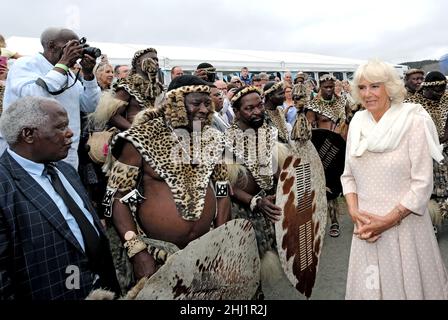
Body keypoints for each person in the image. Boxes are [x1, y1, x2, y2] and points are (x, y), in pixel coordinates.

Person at [102, 75, 231, 290]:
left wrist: (220, 239)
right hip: (157, 253)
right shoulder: (141, 138)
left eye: (207, 103)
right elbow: (115, 197)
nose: (204, 109)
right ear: (176, 103)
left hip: (204, 249)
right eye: (196, 103)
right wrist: (137, 251)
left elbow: (222, 189)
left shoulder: (213, 138)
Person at [341, 60, 448, 300]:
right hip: (367, 230)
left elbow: (422, 183)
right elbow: (348, 175)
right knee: (371, 290)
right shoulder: (357, 122)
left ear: (389, 87)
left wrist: (388, 220)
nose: (367, 94)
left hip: (405, 230)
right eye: (362, 87)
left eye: (375, 86)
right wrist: (355, 213)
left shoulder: (413, 121)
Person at [0, 96, 119, 300]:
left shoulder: (65, 170)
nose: (70, 133)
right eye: (60, 127)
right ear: (28, 134)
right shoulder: (4, 186)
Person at [2, 27, 100, 169]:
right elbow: (34, 97)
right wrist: (63, 63)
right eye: (69, 47)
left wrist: (89, 75)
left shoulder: (68, 74)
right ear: (51, 45)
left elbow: (90, 106)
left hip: (66, 154)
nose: (75, 52)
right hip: (30, 156)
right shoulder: (25, 64)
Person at [405, 71, 448, 232]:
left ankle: (439, 217)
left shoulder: (446, 99)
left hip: (443, 150)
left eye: (443, 89)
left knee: (443, 189)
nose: (440, 93)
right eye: (437, 90)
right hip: (421, 151)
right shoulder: (411, 103)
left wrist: (442, 141)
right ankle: (430, 225)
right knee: (426, 189)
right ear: (426, 88)